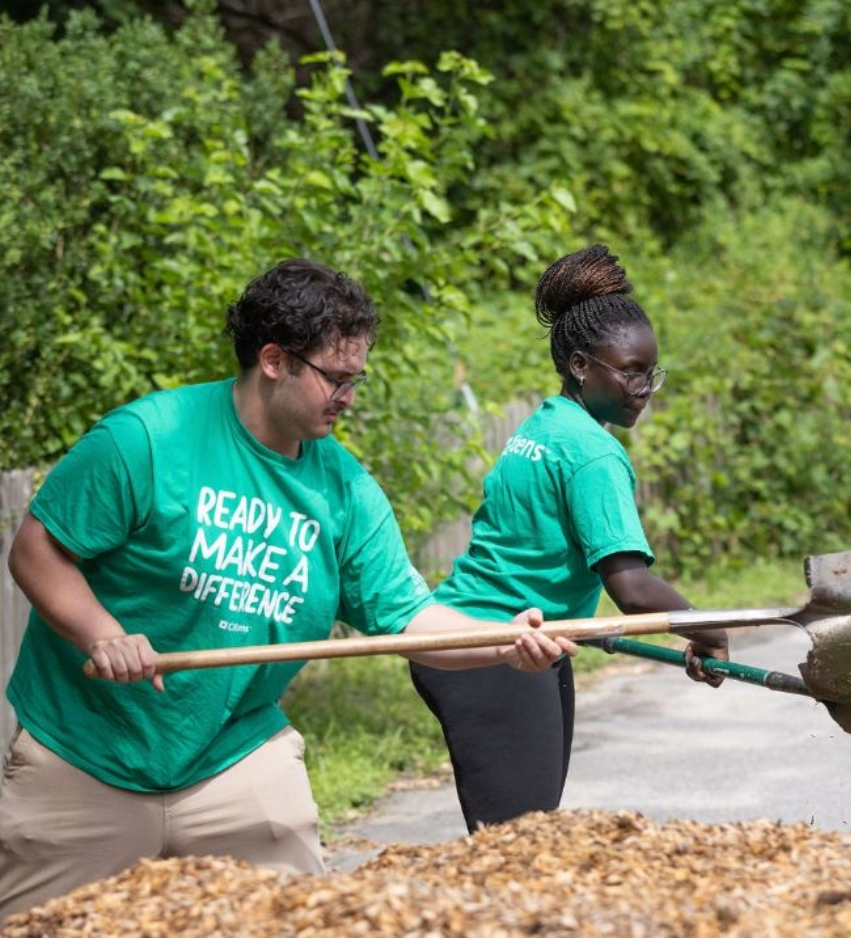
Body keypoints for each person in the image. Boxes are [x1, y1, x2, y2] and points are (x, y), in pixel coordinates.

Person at [0, 258, 577, 922]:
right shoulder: (148, 440)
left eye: (357, 378)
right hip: (84, 754)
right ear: (274, 360)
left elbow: (412, 622)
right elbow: (37, 548)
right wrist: (101, 633)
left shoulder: (345, 490)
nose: (350, 397)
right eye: (337, 377)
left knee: (302, 920)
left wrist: (506, 644)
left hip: (233, 756)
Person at [410, 244, 730, 833]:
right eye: (630, 371)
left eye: (650, 372)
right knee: (518, 847)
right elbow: (630, 587)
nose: (644, 387)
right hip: (497, 650)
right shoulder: (592, 453)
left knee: (524, 837)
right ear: (582, 365)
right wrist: (711, 631)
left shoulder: (546, 425)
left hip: (497, 636)